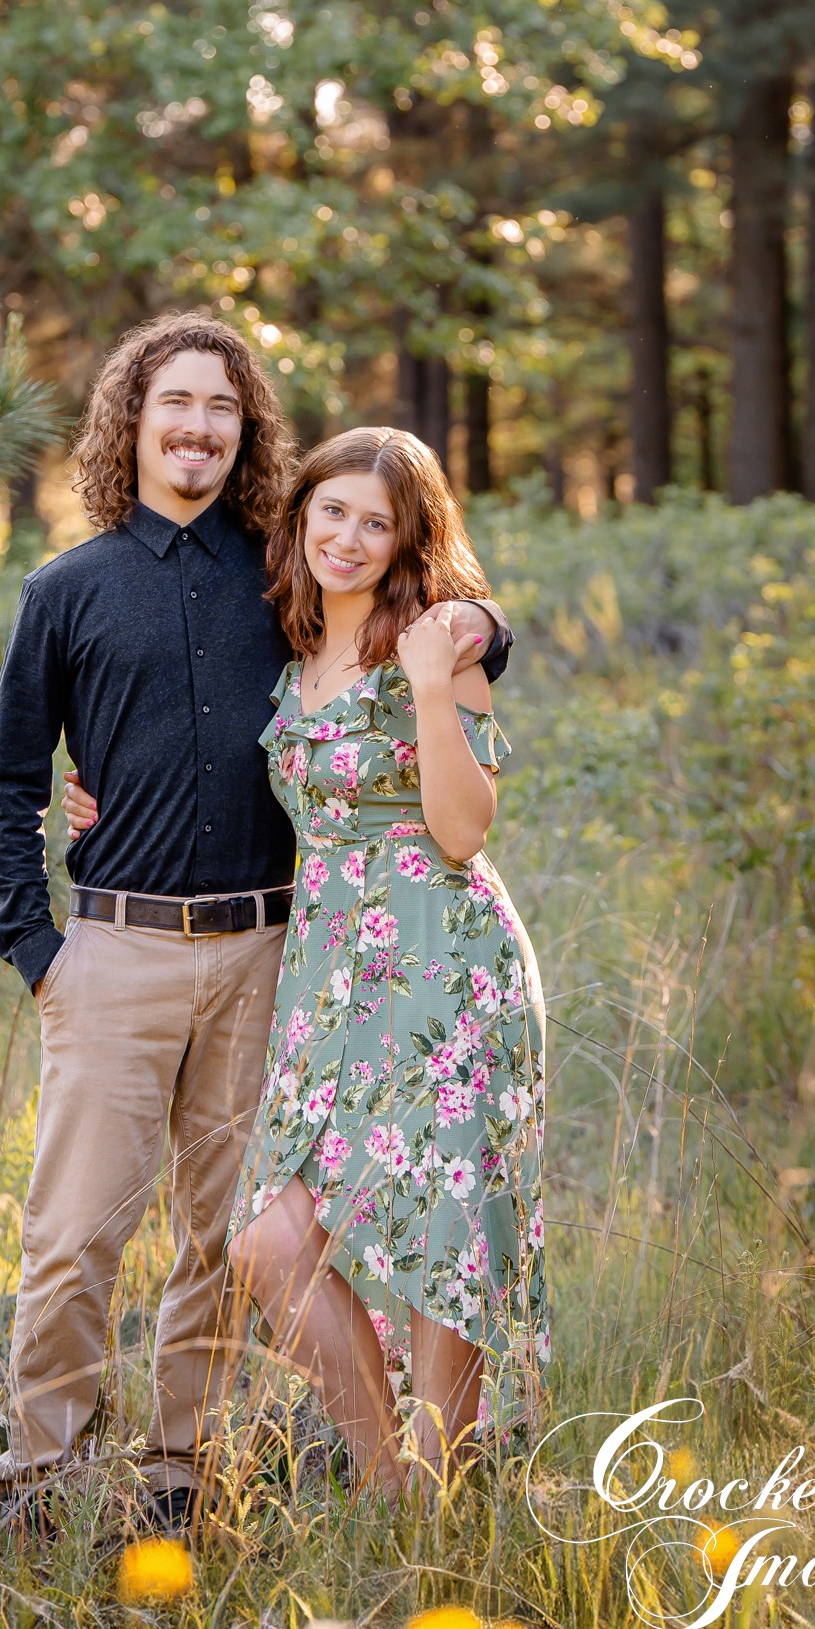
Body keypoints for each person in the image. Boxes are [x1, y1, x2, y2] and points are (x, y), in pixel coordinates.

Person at [0, 313, 509, 1531]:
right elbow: (11, 780)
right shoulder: (64, 590)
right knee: (72, 1237)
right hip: (111, 950)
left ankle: (183, 1474)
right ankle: (40, 1483)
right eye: (177, 402)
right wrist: (35, 949)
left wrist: (486, 630)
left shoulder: (277, 568)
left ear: (244, 430)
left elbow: (421, 597)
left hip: (274, 950)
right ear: (133, 417)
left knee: (221, 1240)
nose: (198, 427)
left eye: (222, 407)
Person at [221, 428, 547, 1502]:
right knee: (272, 1241)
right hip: (326, 975)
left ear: (409, 537)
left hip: (444, 963)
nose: (349, 538)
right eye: (332, 513)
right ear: (300, 516)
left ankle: (434, 1503)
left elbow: (461, 830)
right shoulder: (290, 645)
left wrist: (422, 685)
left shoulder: (437, 643)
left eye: (377, 521)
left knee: (438, 1230)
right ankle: (386, 1479)